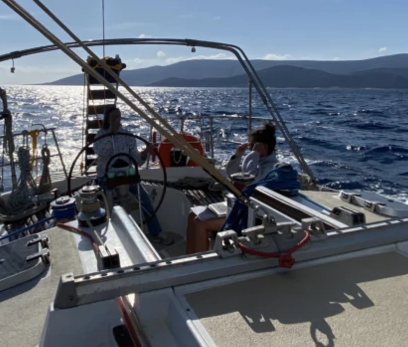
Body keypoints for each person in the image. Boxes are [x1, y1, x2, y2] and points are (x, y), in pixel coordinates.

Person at [186, 123, 279, 254]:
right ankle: (190, 258)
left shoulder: (270, 167)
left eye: (253, 145)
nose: (251, 148)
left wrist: (254, 154)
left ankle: (201, 268)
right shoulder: (258, 161)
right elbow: (232, 173)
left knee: (200, 223)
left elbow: (249, 177)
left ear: (263, 146)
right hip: (239, 206)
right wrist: (238, 156)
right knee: (192, 215)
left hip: (249, 214)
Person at [94, 107, 174, 244]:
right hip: (105, 177)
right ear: (107, 119)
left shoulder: (127, 135)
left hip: (127, 176)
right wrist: (111, 133)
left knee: (145, 198)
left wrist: (145, 152)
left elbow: (136, 159)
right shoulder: (100, 135)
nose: (117, 120)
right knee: (102, 205)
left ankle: (156, 233)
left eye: (118, 117)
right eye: (113, 117)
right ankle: (109, 239)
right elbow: (100, 151)